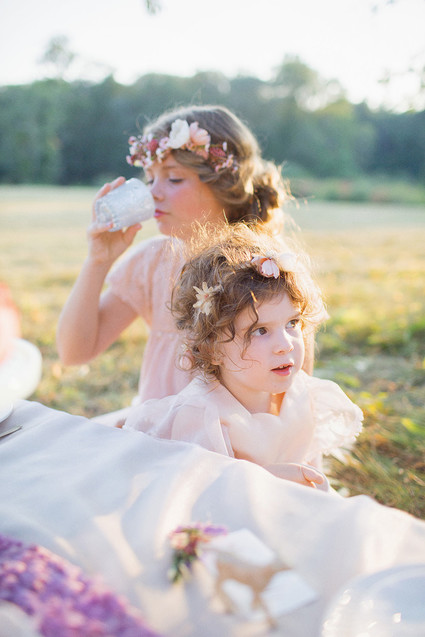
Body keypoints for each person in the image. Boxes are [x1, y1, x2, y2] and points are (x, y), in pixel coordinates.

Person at [56, 105, 314, 426]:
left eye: (174, 178)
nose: (153, 194)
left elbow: (295, 384)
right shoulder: (153, 260)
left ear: (224, 184)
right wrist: (98, 260)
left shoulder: (265, 269)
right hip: (159, 426)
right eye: (150, 179)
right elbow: (74, 352)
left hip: (230, 439)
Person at [124, 224, 363, 481]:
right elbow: (204, 493)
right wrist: (271, 480)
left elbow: (312, 471)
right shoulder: (204, 416)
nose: (286, 344)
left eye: (292, 323)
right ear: (212, 349)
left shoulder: (302, 394)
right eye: (260, 331)